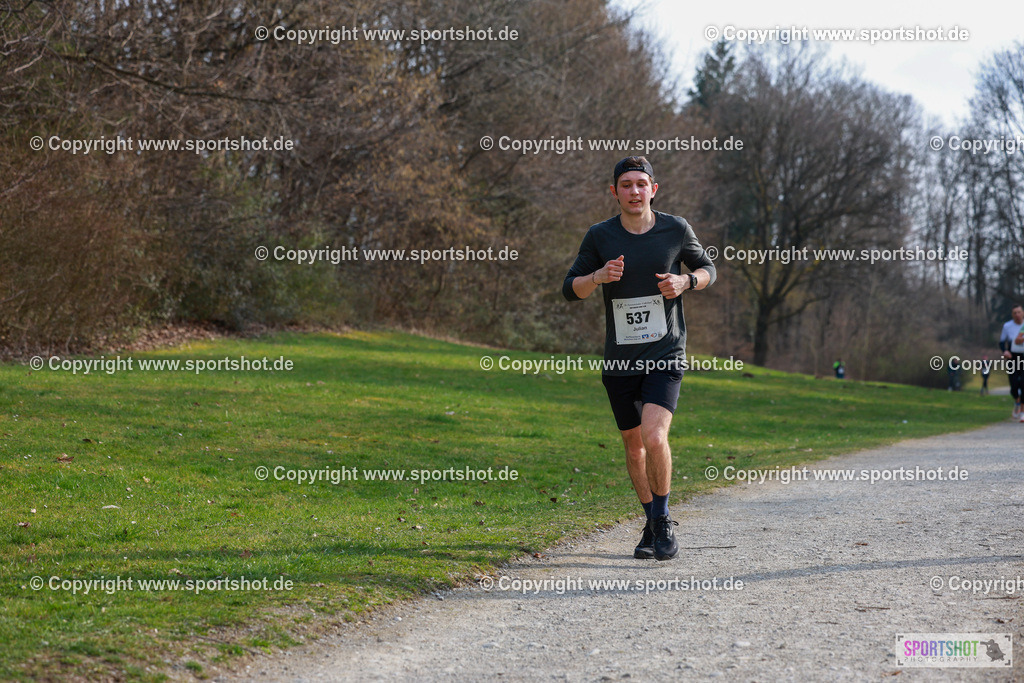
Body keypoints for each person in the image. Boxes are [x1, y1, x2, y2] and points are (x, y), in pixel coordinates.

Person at [562, 156, 716, 560]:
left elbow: (707, 269)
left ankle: (663, 522)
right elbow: (569, 289)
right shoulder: (600, 236)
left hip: (666, 352)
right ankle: (649, 523)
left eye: (641, 183)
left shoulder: (675, 229)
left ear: (653, 189)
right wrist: (597, 278)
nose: (634, 191)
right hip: (620, 360)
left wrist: (686, 280)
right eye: (626, 184)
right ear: (614, 192)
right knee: (634, 447)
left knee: (654, 436)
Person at [999, 304, 1024, 421]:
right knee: (1014, 385)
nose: (1017, 315)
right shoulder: (1007, 326)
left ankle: (1023, 412)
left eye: (1019, 312)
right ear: (1012, 315)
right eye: (1015, 313)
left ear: (1022, 312)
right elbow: (1002, 342)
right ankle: (1017, 402)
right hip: (1012, 358)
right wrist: (1005, 351)